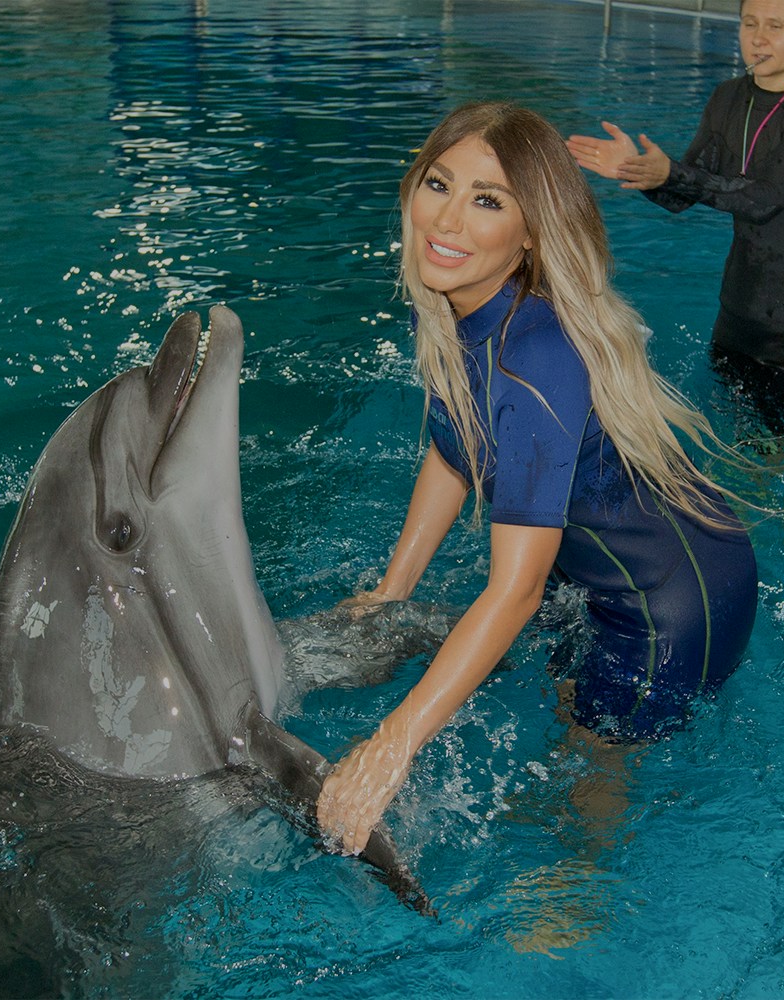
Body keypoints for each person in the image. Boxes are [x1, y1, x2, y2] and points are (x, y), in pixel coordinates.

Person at [315, 103, 759, 857]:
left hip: (668, 601)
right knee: (557, 691)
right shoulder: (468, 312)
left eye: (487, 200)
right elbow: (454, 450)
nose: (448, 220)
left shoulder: (534, 359)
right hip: (603, 564)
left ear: (531, 234)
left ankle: (575, 895)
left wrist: (392, 745)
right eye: (439, 183)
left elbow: (514, 591)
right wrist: (394, 590)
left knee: (589, 765)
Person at [565, 0, 784, 425]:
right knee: (720, 443)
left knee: (768, 465)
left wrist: (671, 173)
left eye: (776, 25)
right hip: (735, 320)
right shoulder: (729, 98)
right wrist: (642, 172)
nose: (758, 38)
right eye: (749, 23)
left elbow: (764, 199)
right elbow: (683, 195)